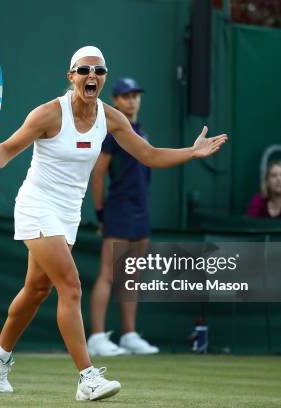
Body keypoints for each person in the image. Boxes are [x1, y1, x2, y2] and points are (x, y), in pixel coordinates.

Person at [0, 45, 227, 401]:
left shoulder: (111, 118)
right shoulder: (48, 114)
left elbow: (149, 155)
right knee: (71, 285)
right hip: (37, 204)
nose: (91, 75)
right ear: (71, 76)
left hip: (68, 213)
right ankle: (87, 377)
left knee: (37, 290)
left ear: (103, 78)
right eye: (83, 70)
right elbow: (8, 148)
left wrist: (191, 151)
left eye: (98, 70)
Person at [87, 77, 158, 357]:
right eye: (126, 96)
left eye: (136, 95)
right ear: (115, 100)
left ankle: (129, 334)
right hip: (118, 209)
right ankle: (96, 337)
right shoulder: (112, 131)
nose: (132, 100)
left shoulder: (140, 131)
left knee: (131, 276)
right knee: (108, 273)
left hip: (141, 210)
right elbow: (98, 175)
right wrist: (101, 213)